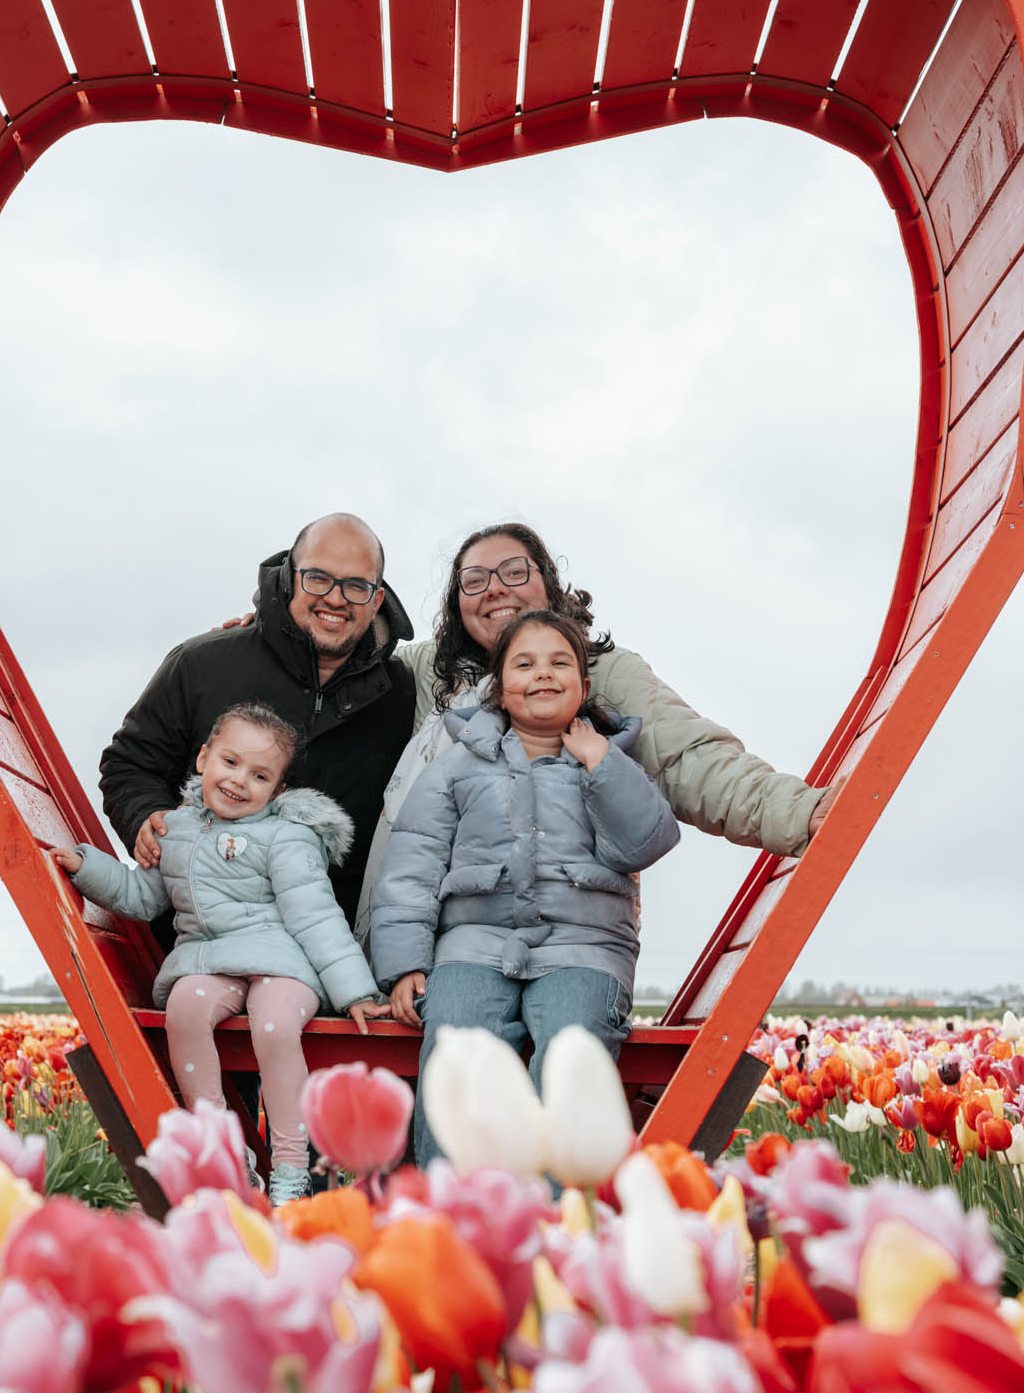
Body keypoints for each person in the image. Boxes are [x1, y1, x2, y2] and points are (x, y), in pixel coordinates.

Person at [355, 521, 832, 935]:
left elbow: (686, 757)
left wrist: (795, 811)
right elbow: (345, 661)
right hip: (452, 936)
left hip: (574, 936)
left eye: (515, 572)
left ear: (549, 583)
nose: (494, 589)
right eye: (474, 580)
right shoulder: (430, 676)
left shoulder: (600, 673)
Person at [371, 611, 681, 1163]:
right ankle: (450, 1200)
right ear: (499, 687)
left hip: (585, 947)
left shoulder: (609, 759)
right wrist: (405, 964)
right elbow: (414, 862)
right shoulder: (457, 765)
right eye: (525, 664)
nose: (543, 673)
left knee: (572, 1053)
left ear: (583, 686)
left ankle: (559, 1206)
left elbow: (645, 843)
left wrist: (601, 763)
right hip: (474, 943)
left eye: (560, 663)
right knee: (457, 1048)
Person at [57, 702, 388, 1202]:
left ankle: (292, 1171)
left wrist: (355, 992)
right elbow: (141, 897)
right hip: (208, 959)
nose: (239, 781)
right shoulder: (175, 830)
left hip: (282, 964)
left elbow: (316, 918)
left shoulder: (287, 837)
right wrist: (86, 867)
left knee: (274, 1025)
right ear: (203, 758)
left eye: (259, 775)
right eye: (230, 762)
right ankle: (226, 1155)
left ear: (278, 790)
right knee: (184, 1007)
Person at [100, 514, 416, 926]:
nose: (335, 599)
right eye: (318, 578)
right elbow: (129, 765)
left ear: (376, 600)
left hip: (330, 940)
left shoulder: (401, 692)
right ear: (289, 577)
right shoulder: (201, 663)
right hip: (195, 931)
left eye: (356, 586)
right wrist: (148, 818)